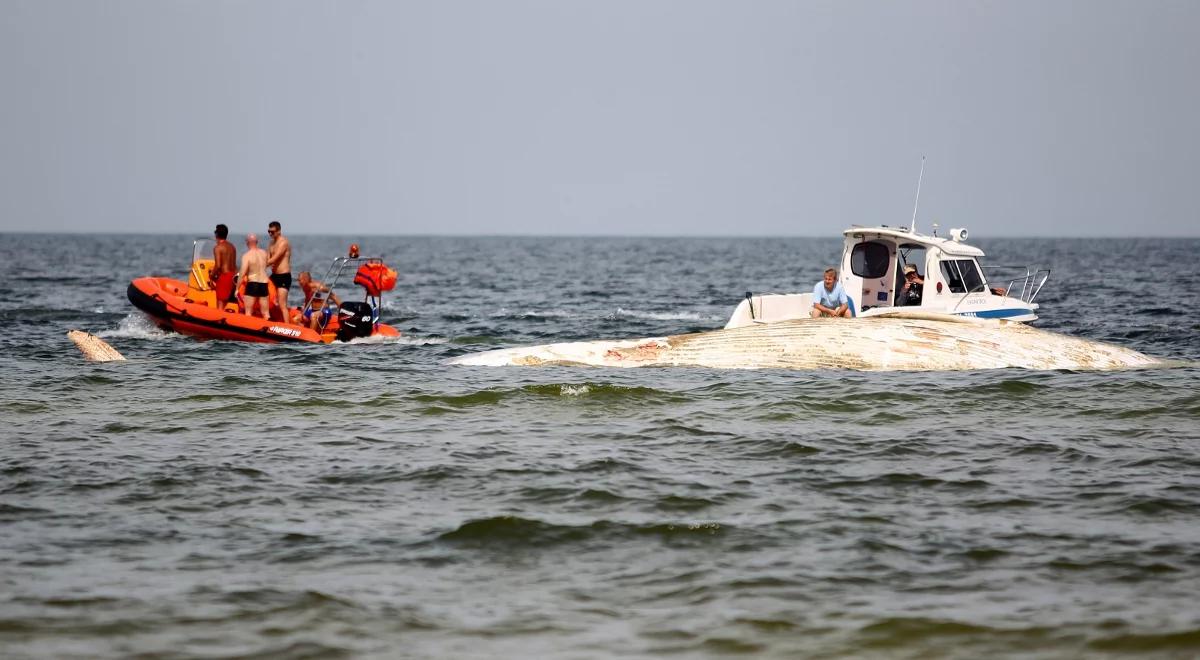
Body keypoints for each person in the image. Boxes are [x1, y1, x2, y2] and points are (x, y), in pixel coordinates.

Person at [239, 234, 271, 319]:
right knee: (266, 313)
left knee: (248, 312)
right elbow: (267, 264)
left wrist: (236, 288)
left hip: (253, 283)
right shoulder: (264, 253)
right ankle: (269, 329)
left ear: (247, 242)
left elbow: (242, 273)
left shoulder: (247, 255)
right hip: (264, 283)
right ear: (257, 242)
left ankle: (246, 330)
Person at [266, 220, 292, 320]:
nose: (270, 234)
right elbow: (267, 259)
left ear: (279, 231)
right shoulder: (271, 243)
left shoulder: (284, 243)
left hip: (284, 276)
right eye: (269, 231)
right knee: (267, 298)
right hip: (274, 276)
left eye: (272, 232)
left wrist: (260, 265)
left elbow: (274, 259)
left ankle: (287, 326)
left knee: (282, 304)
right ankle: (270, 320)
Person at [211, 224, 237, 306]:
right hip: (233, 276)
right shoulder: (232, 246)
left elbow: (218, 265)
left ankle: (218, 318)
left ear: (216, 234)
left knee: (220, 304)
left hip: (224, 277)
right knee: (227, 303)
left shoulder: (218, 248)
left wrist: (211, 275)